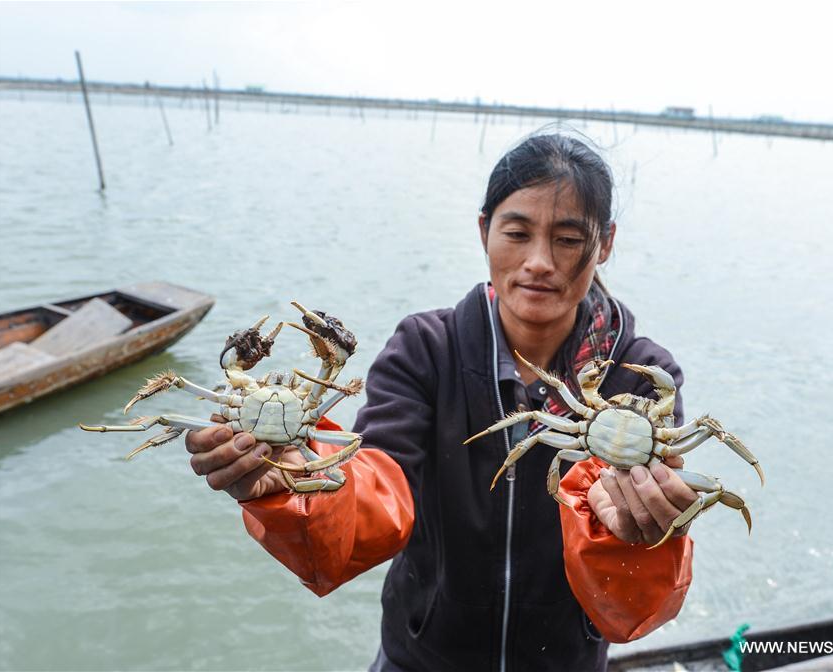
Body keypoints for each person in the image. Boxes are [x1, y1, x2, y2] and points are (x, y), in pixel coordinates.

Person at [186, 131, 698, 671]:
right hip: (421, 657)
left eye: (569, 239)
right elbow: (379, 490)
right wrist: (296, 489)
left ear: (606, 242)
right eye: (517, 232)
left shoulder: (642, 379)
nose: (539, 262)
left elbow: (631, 590)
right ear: (485, 231)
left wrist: (643, 537)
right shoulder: (426, 350)